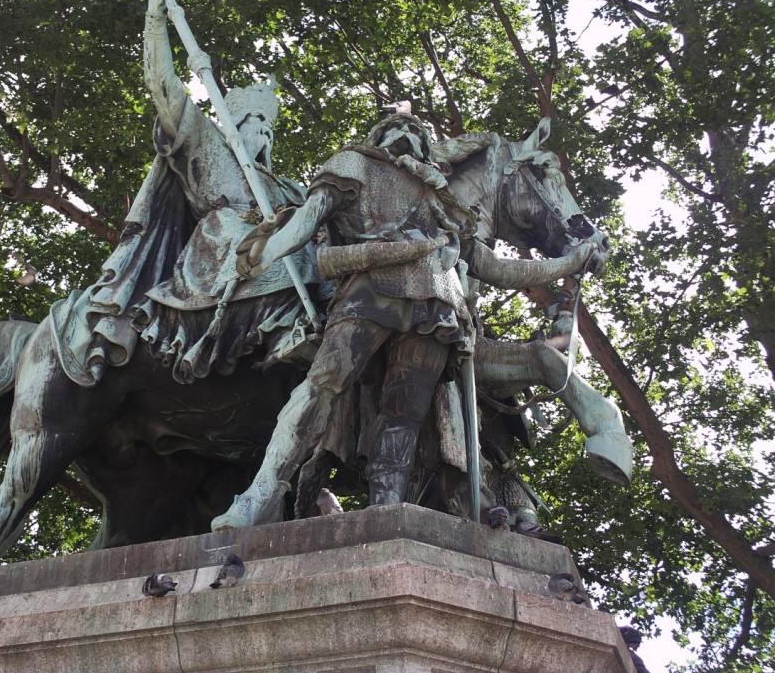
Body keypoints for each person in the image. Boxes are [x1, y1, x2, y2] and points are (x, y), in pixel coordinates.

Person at [211, 110, 605, 530]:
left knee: (405, 415)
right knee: (323, 383)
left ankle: (386, 510)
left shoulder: (444, 200)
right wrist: (267, 251)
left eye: (417, 131)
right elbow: (309, 219)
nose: (407, 133)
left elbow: (494, 267)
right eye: (394, 128)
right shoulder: (353, 163)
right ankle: (263, 493)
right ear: (378, 137)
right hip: (368, 293)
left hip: (438, 309)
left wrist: (566, 262)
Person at [50, 0, 323, 386]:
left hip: (288, 243)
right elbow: (164, 89)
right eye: (254, 122)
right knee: (266, 239)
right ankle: (285, 331)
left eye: (270, 127)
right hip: (224, 253)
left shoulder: (289, 187)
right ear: (234, 122)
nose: (264, 132)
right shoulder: (208, 144)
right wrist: (156, 21)